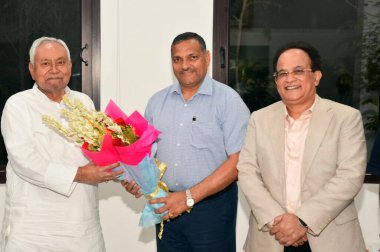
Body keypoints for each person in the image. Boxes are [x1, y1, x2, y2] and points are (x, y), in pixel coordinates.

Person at [124, 32, 250, 251]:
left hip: (211, 209)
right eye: (177, 59)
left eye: (192, 57)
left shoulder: (229, 101)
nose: (184, 65)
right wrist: (135, 179)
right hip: (167, 206)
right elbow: (144, 156)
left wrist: (189, 197)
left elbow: (238, 162)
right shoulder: (156, 102)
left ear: (207, 58)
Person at [237, 41, 367, 252]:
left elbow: (350, 177)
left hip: (330, 239)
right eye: (282, 73)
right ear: (276, 81)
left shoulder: (346, 118)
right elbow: (247, 172)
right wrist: (278, 222)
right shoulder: (259, 119)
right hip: (272, 237)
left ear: (316, 76)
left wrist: (302, 220)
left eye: (298, 71)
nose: (290, 79)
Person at [0, 37, 122, 251]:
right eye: (45, 63)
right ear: (32, 69)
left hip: (82, 228)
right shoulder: (17, 105)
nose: (54, 69)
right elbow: (25, 162)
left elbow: (99, 153)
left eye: (61, 62)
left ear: (70, 66)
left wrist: (126, 174)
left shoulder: (84, 102)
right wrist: (83, 174)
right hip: (32, 231)